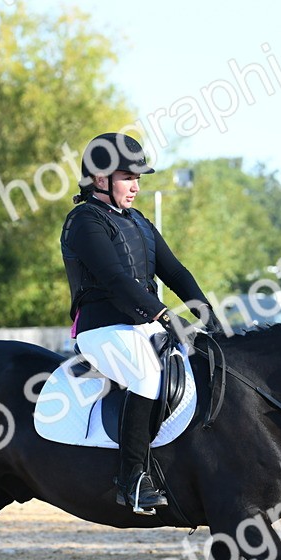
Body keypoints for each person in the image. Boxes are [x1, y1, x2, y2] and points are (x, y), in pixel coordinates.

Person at [61, 133, 213, 514]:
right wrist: (165, 316)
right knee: (146, 375)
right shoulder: (84, 221)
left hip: (142, 325)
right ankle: (131, 480)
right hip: (102, 328)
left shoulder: (138, 222)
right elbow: (115, 280)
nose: (136, 187)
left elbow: (175, 271)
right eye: (128, 178)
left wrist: (207, 315)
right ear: (100, 180)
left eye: (139, 179)